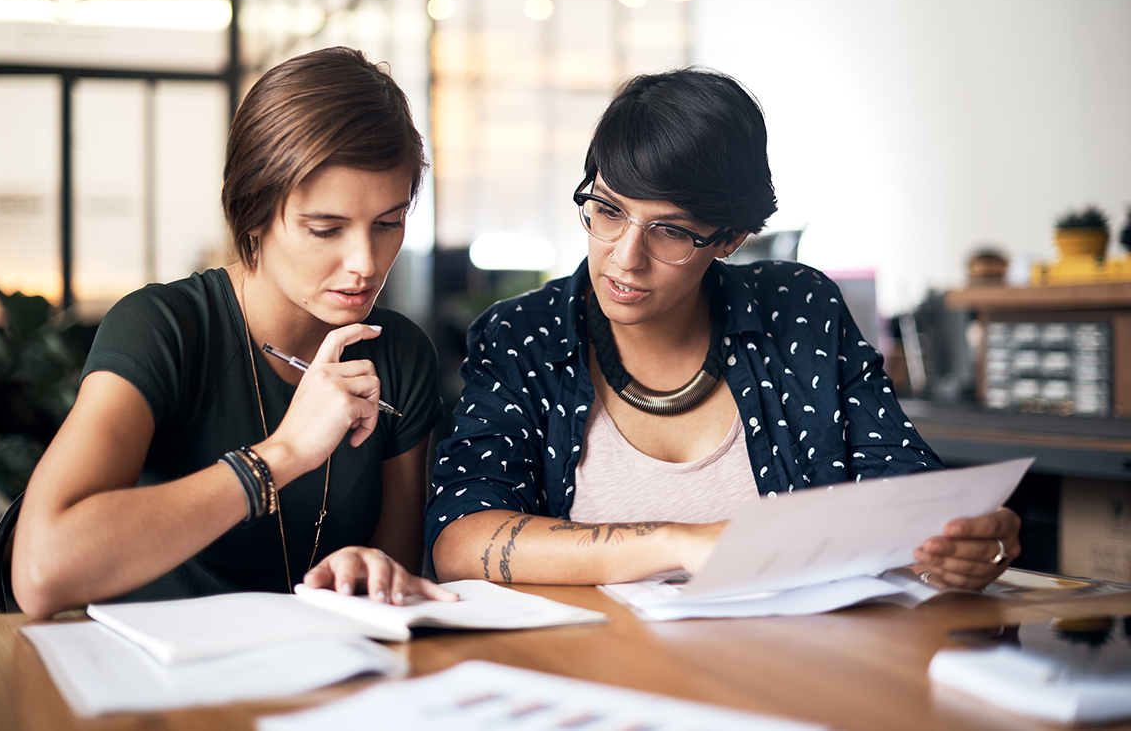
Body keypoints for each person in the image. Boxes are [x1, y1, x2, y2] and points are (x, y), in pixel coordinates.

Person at [425, 67, 1020, 591]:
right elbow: (459, 541)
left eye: (670, 231)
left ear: (732, 238)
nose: (624, 257)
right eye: (608, 211)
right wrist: (676, 542)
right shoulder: (524, 336)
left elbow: (910, 499)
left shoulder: (798, 313)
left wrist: (966, 543)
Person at [13, 47, 456, 620]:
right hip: (159, 688)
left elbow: (393, 577)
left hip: (323, 680)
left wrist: (374, 573)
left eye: (389, 223)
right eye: (326, 229)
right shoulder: (165, 328)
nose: (365, 263)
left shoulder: (396, 353)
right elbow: (42, 572)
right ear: (252, 212)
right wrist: (281, 455)